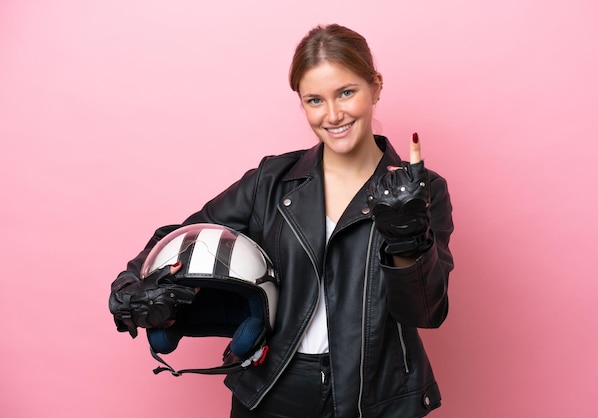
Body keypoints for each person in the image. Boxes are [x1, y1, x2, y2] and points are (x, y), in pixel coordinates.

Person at [110, 23, 454, 418]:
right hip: (274, 387)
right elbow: (184, 237)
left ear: (375, 86)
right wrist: (130, 286)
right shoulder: (271, 181)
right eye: (315, 100)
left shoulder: (420, 190)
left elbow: (425, 314)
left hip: (371, 397)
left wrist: (406, 242)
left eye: (346, 92)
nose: (333, 114)